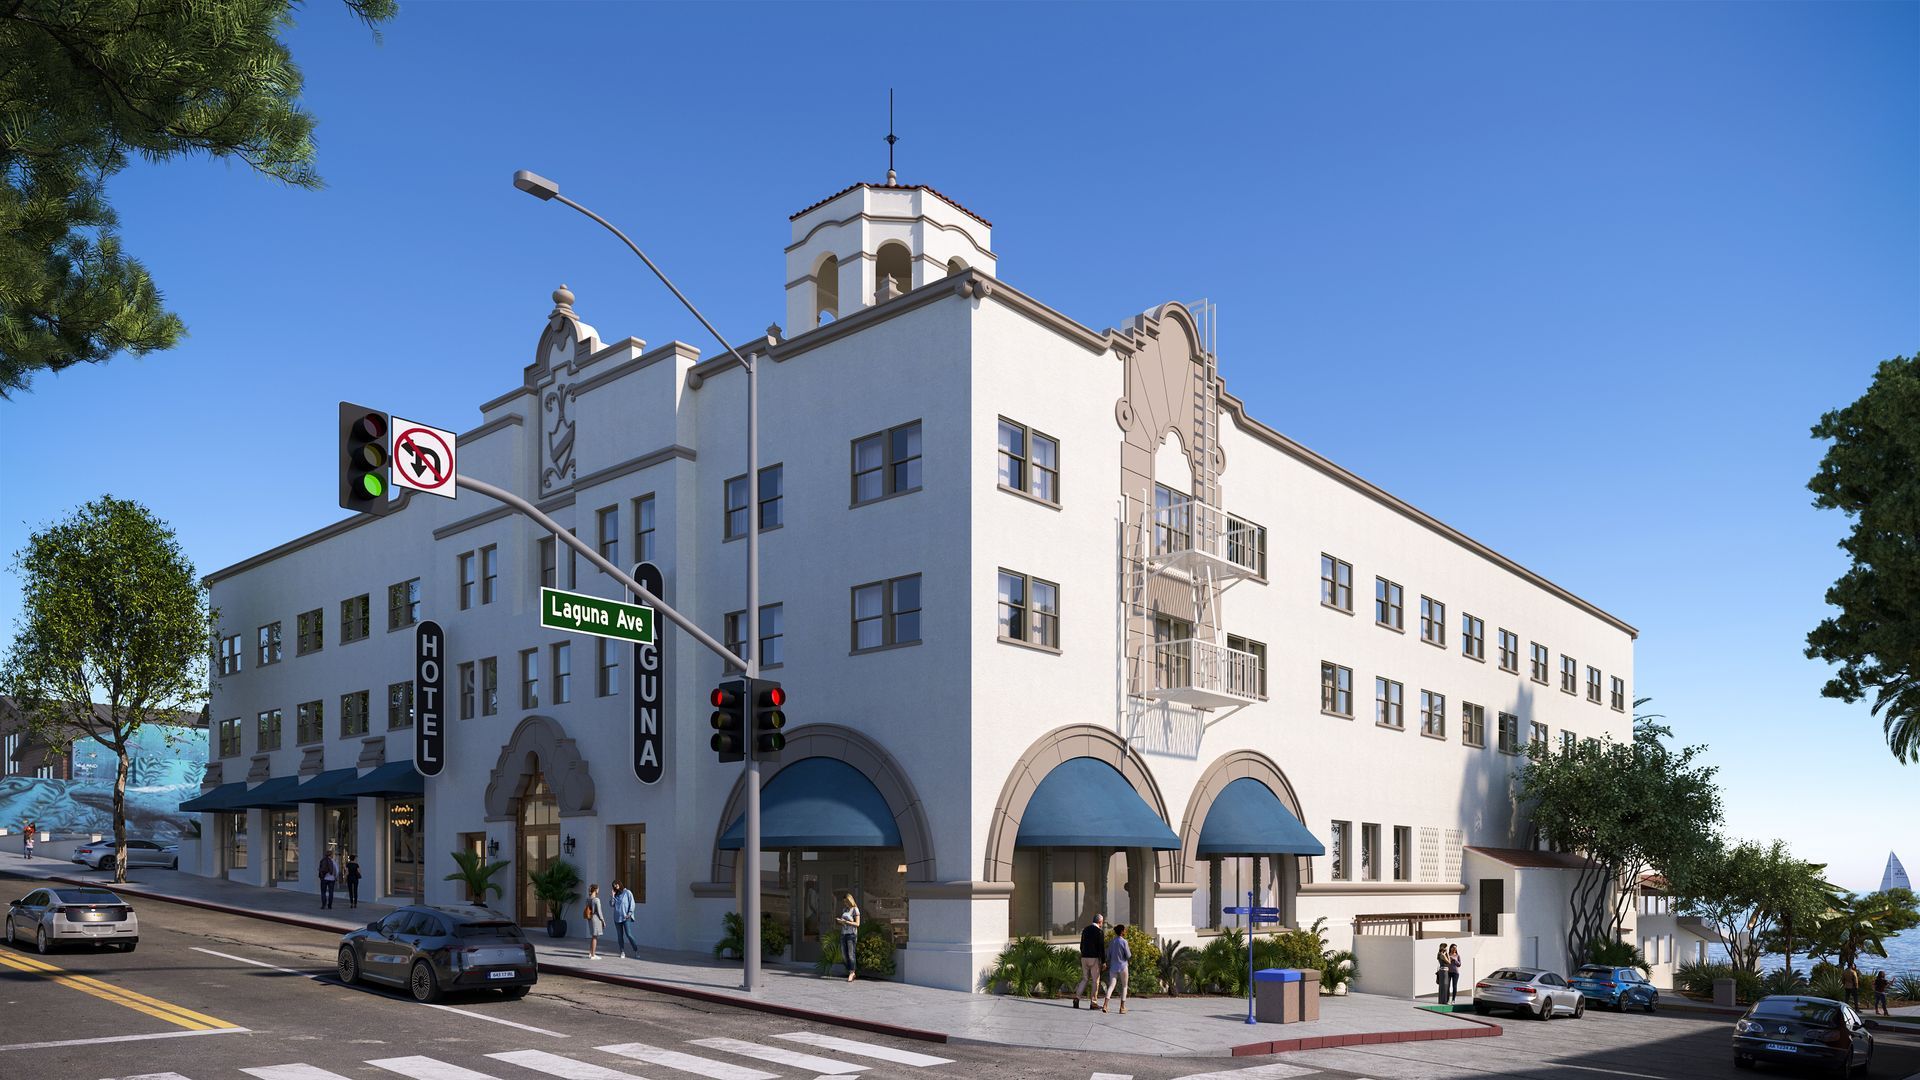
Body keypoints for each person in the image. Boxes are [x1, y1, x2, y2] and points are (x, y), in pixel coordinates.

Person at [1072, 913, 1105, 1008]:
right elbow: (1101, 948)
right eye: (1102, 922)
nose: (1102, 924)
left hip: (1084, 957)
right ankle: (1093, 1002)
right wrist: (1103, 961)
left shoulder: (1085, 930)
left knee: (1085, 979)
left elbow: (1081, 945)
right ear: (1099, 922)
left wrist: (1083, 954)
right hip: (1094, 958)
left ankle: (1076, 998)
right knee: (1095, 981)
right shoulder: (1099, 932)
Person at [1100, 923, 1132, 1014]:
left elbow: (1108, 955)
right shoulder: (1124, 942)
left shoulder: (1112, 942)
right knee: (1124, 986)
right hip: (1123, 966)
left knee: (1111, 985)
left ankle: (1105, 1005)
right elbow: (1128, 955)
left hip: (1113, 967)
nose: (1125, 931)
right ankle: (1122, 1007)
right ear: (1122, 932)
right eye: (1124, 930)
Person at [835, 892, 861, 982]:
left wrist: (846, 922)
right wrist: (841, 922)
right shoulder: (844, 910)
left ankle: (852, 972)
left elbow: (857, 924)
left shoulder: (855, 910)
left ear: (850, 901)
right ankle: (851, 970)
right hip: (843, 934)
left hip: (851, 935)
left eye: (846, 902)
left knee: (850, 954)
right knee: (844, 955)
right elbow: (844, 922)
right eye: (844, 902)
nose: (845, 903)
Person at [609, 880, 636, 959]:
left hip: (625, 917)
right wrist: (613, 895)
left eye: (616, 884)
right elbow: (611, 904)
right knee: (620, 936)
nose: (615, 886)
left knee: (629, 934)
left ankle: (635, 950)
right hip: (617, 918)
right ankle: (622, 952)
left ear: (619, 884)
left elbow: (632, 903)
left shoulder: (627, 892)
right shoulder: (616, 895)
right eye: (614, 885)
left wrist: (629, 913)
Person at [582, 884, 605, 959]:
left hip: (590, 919)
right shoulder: (596, 900)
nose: (598, 890)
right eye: (598, 889)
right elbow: (599, 912)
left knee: (593, 936)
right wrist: (603, 921)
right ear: (595, 890)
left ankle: (590, 953)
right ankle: (593, 955)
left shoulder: (588, 899)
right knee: (595, 937)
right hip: (596, 919)